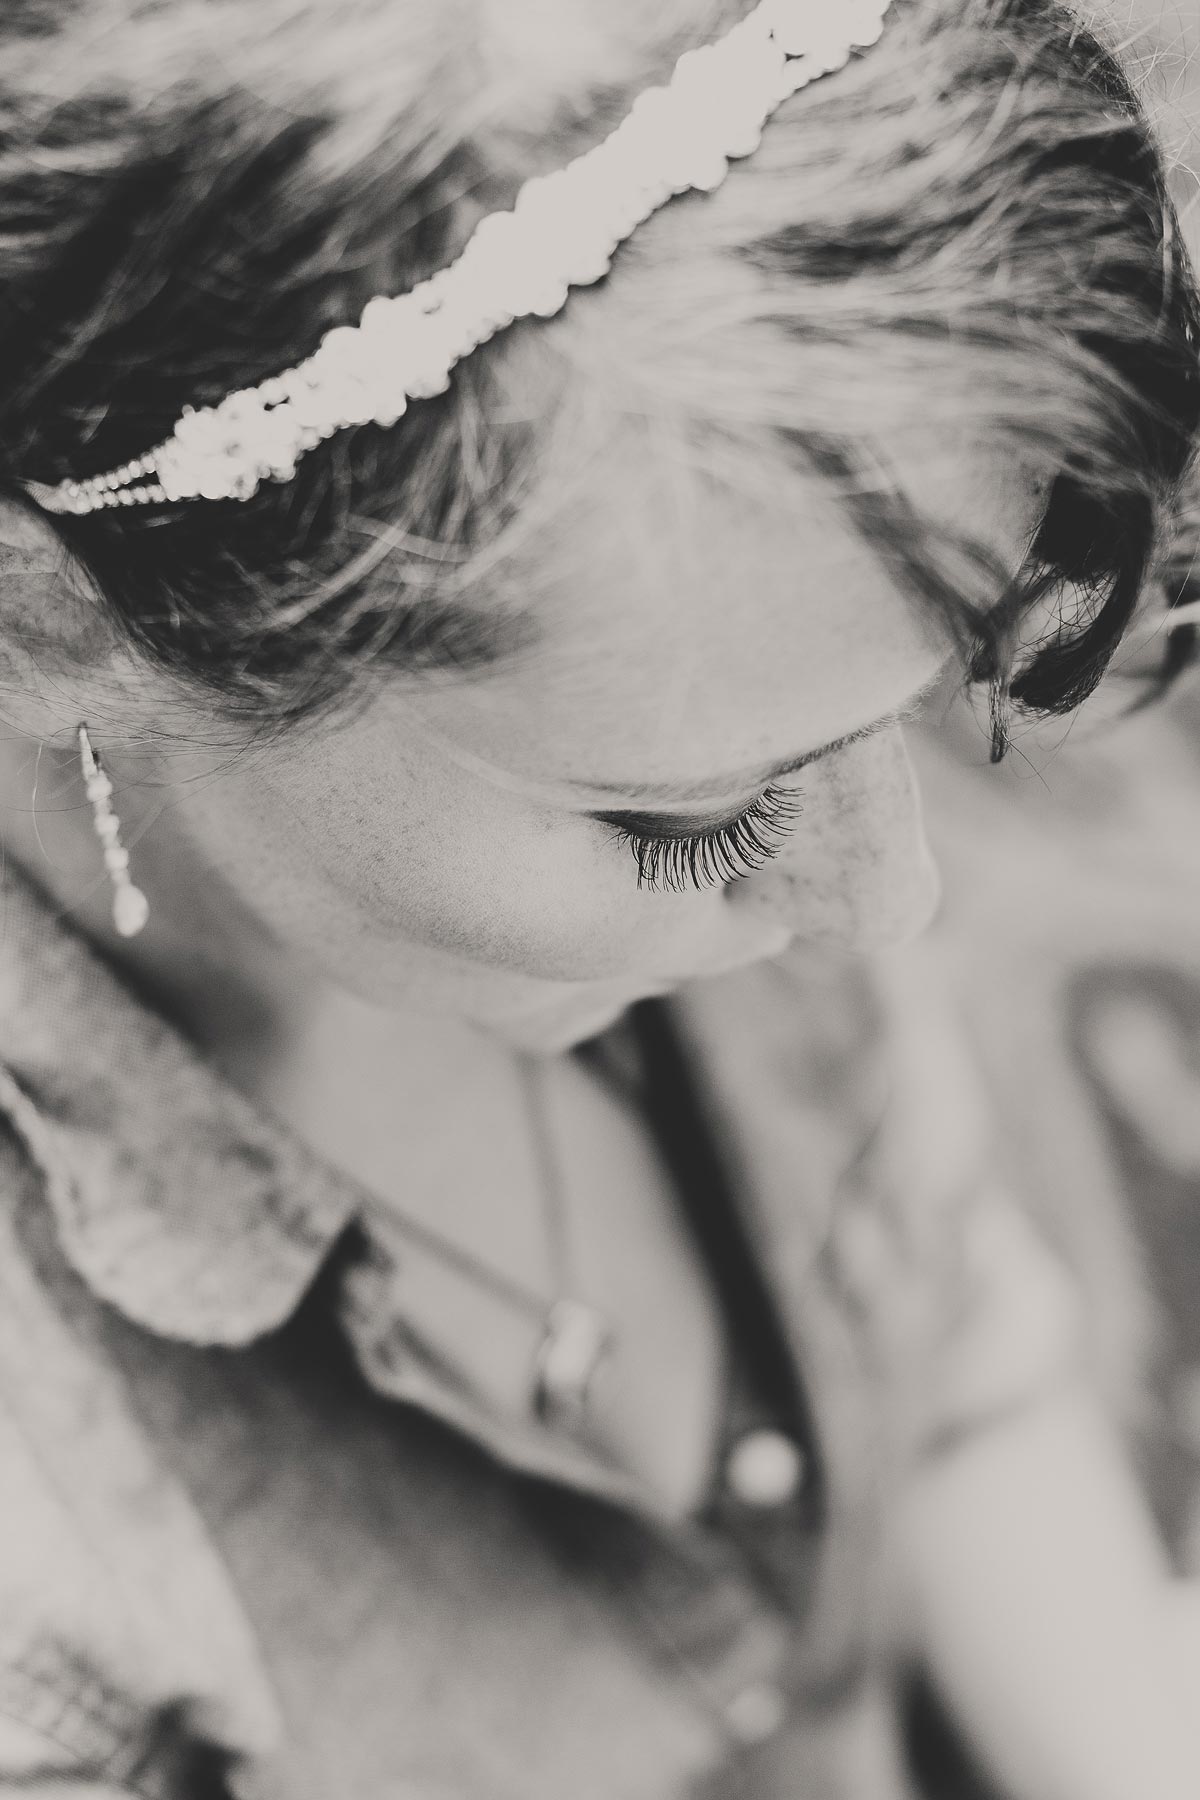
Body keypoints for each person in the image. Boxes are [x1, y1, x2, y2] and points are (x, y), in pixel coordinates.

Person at [0, 1, 1198, 1796]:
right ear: (63, 630)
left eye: (923, 715)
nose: (892, 901)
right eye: (694, 822)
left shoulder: (729, 665)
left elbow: (948, 1348)